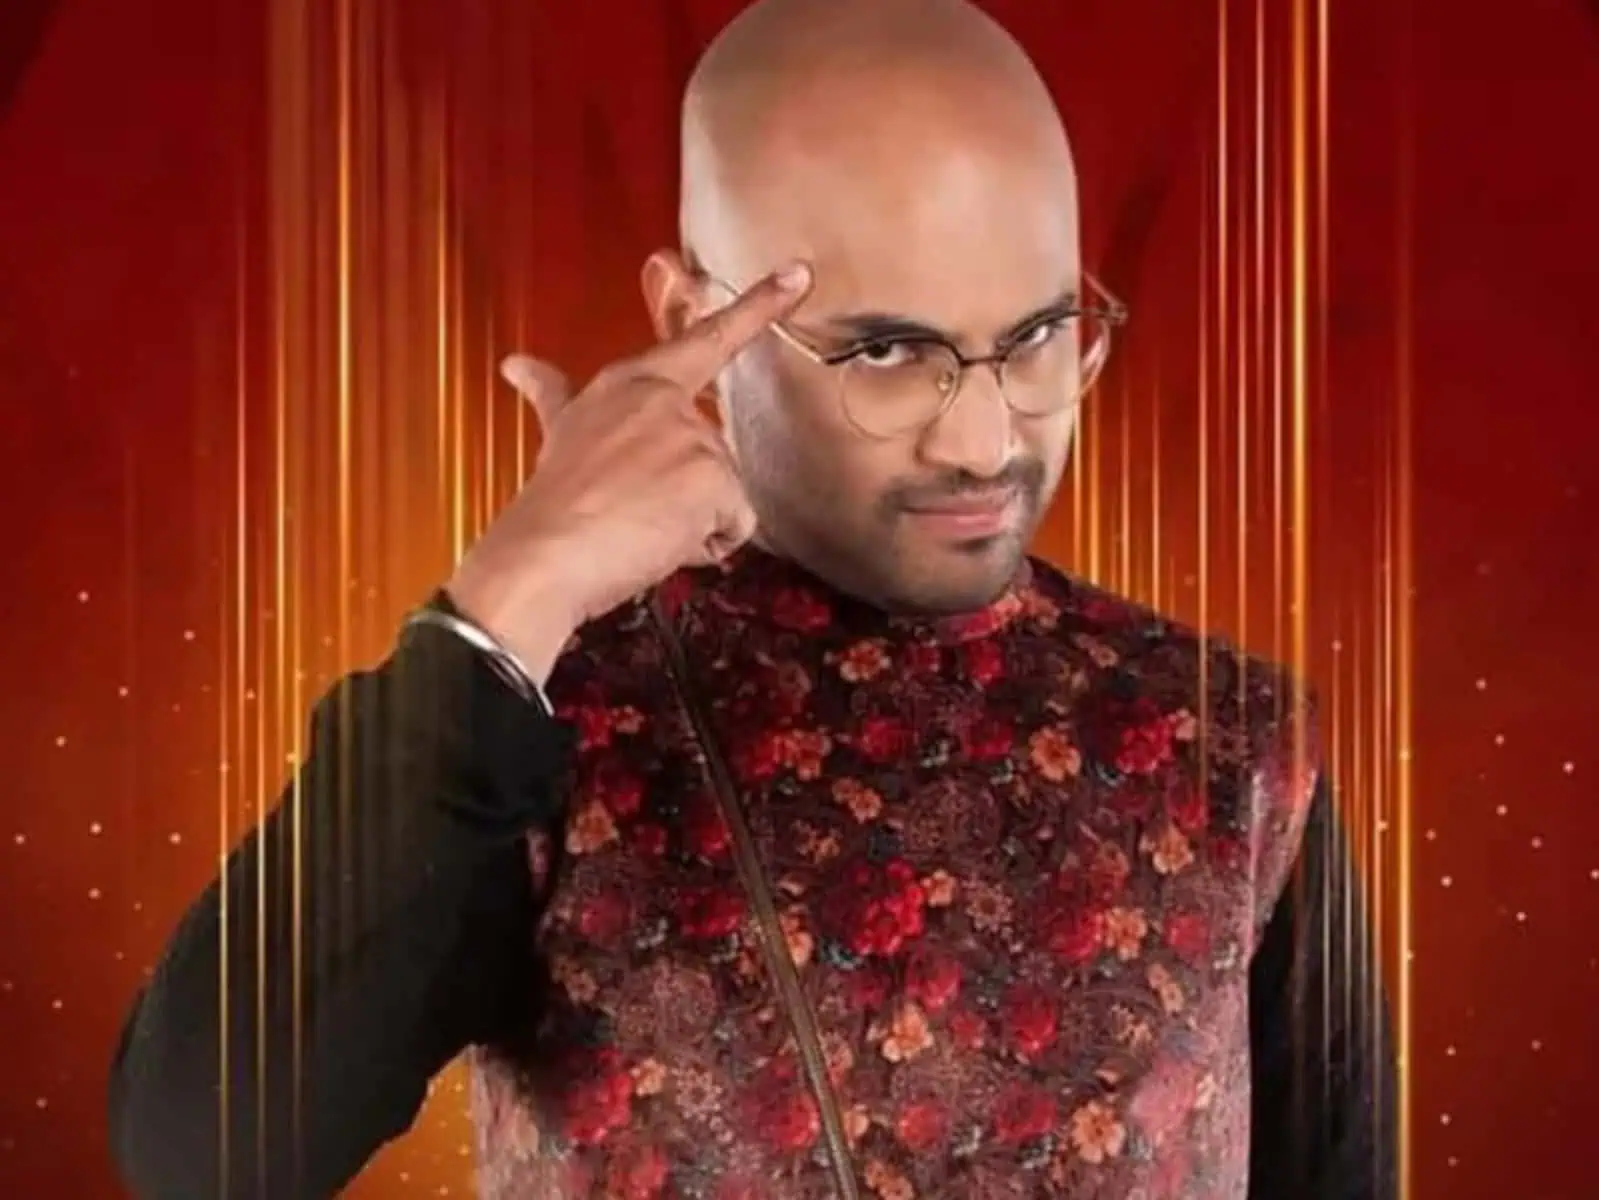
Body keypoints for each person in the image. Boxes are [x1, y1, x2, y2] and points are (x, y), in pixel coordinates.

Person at [107, 0, 1396, 1195]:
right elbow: (198, 1150)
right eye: (885, 350)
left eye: (1040, 336)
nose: (984, 441)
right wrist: (508, 598)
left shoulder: (1230, 738)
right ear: (690, 315)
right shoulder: (547, 718)